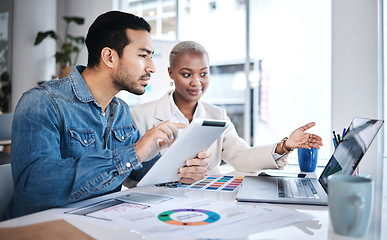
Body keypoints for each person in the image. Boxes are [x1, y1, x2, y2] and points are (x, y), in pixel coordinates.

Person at [7, 12, 209, 219]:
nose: (152, 67)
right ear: (109, 57)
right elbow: (34, 186)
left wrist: (183, 169)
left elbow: (140, 169)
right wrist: (135, 152)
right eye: (143, 55)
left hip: (100, 222)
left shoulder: (119, 109)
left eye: (151, 55)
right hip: (45, 228)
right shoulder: (42, 102)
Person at [131, 41, 323, 173]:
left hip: (208, 204)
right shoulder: (140, 116)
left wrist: (285, 146)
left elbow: (241, 156)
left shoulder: (217, 115)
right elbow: (132, 175)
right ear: (171, 73)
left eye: (204, 74)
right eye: (187, 74)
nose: (197, 82)